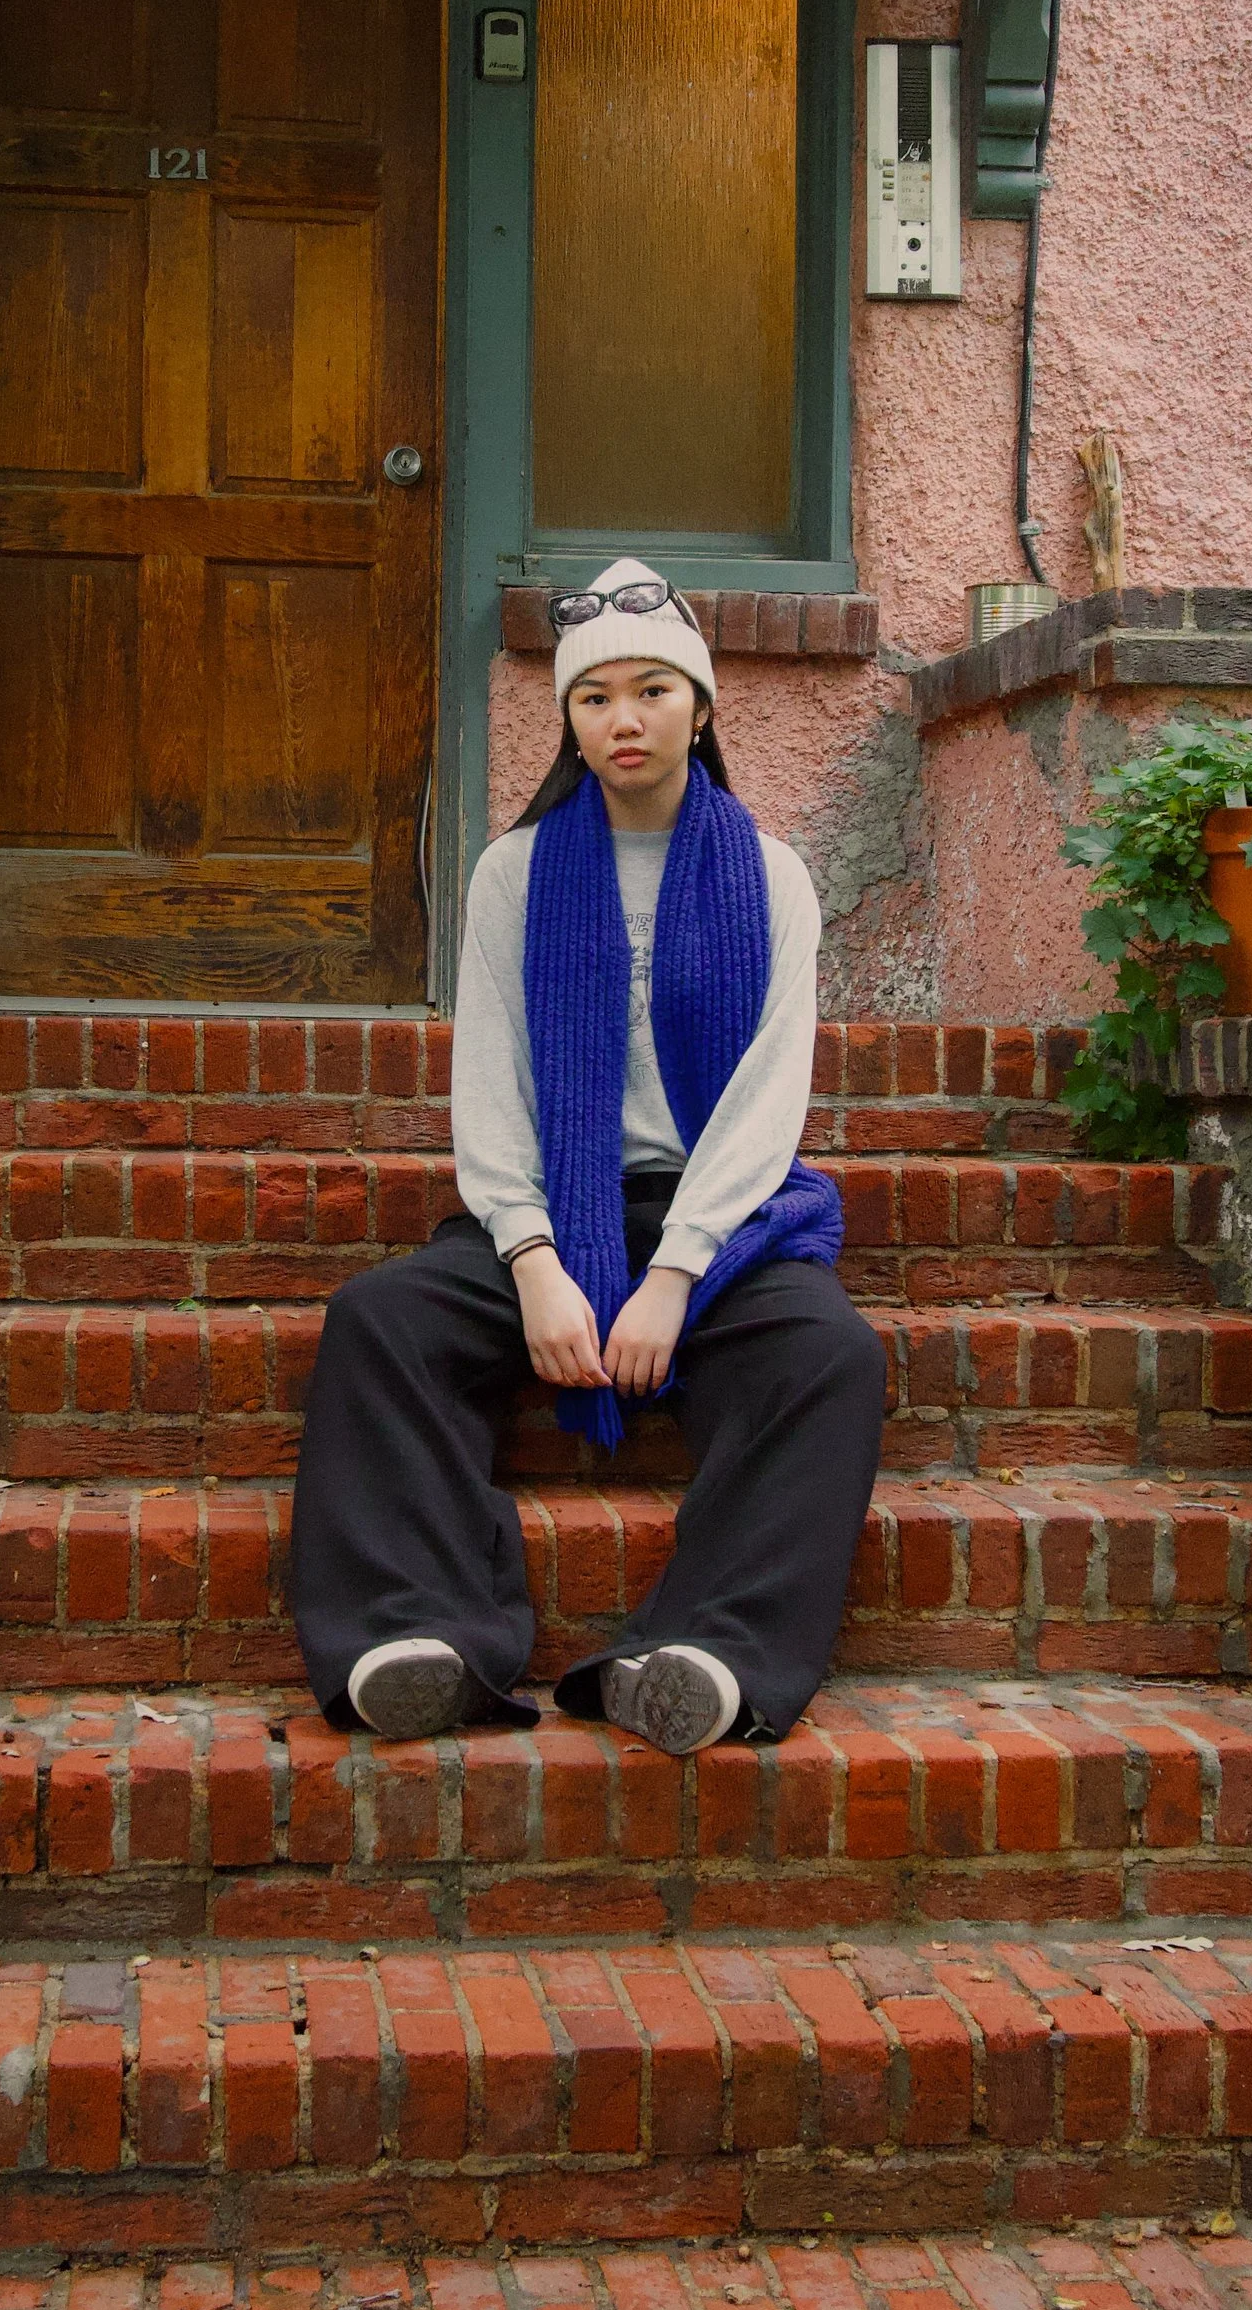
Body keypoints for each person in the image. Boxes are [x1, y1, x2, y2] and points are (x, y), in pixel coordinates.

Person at [289, 560, 888, 1754]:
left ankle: (710, 1654)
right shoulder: (514, 874)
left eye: (653, 690)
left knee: (830, 1355)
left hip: (717, 1218)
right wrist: (532, 1260)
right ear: (568, 720)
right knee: (381, 1322)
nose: (625, 718)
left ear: (701, 710)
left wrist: (674, 1272)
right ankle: (416, 1637)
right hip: (556, 1208)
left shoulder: (772, 877)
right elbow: (491, 1086)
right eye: (594, 696)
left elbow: (767, 1102)